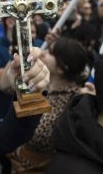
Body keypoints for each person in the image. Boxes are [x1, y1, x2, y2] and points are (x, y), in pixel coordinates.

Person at [8, 38, 89, 173]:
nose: (43, 53)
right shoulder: (41, 87)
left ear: (62, 68)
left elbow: (37, 138)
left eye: (50, 52)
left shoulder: (75, 102)